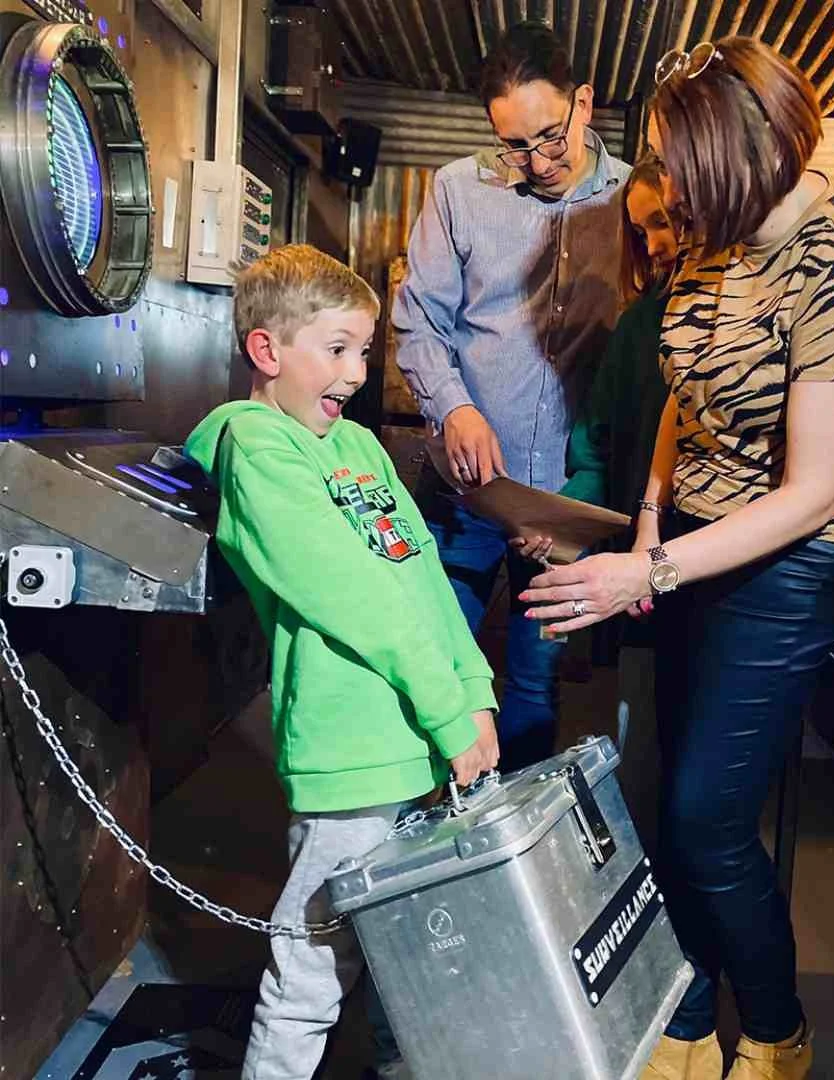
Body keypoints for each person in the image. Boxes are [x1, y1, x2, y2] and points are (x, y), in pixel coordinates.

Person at [521, 38, 834, 1080]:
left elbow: (815, 489)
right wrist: (653, 522)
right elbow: (682, 395)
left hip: (815, 547)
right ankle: (689, 1012)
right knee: (672, 793)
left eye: (682, 164)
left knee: (704, 819)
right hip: (703, 533)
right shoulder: (716, 237)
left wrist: (642, 576)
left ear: (752, 153)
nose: (671, 191)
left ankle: (779, 1037)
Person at [184, 244, 499, 1080]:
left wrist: (473, 696)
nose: (357, 371)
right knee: (314, 971)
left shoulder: (358, 448)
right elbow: (349, 590)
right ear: (267, 350)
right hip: (350, 754)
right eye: (336, 348)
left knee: (416, 963)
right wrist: (444, 704)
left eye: (365, 350)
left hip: (422, 745)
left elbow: (420, 575)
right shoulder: (258, 450)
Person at [392, 20, 630, 772]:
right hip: (465, 494)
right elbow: (419, 320)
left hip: (564, 503)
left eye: (550, 137)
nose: (535, 162)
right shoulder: (459, 190)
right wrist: (454, 407)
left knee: (532, 695)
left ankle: (505, 868)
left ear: (584, 102)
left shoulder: (637, 202)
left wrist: (587, 504)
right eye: (514, 146)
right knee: (435, 681)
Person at [513, 151, 681, 852]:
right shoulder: (639, 328)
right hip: (643, 595)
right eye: (642, 232)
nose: (656, 244)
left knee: (700, 797)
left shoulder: (744, 316)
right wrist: (557, 524)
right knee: (640, 763)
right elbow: (596, 451)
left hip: (720, 579)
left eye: (664, 223)